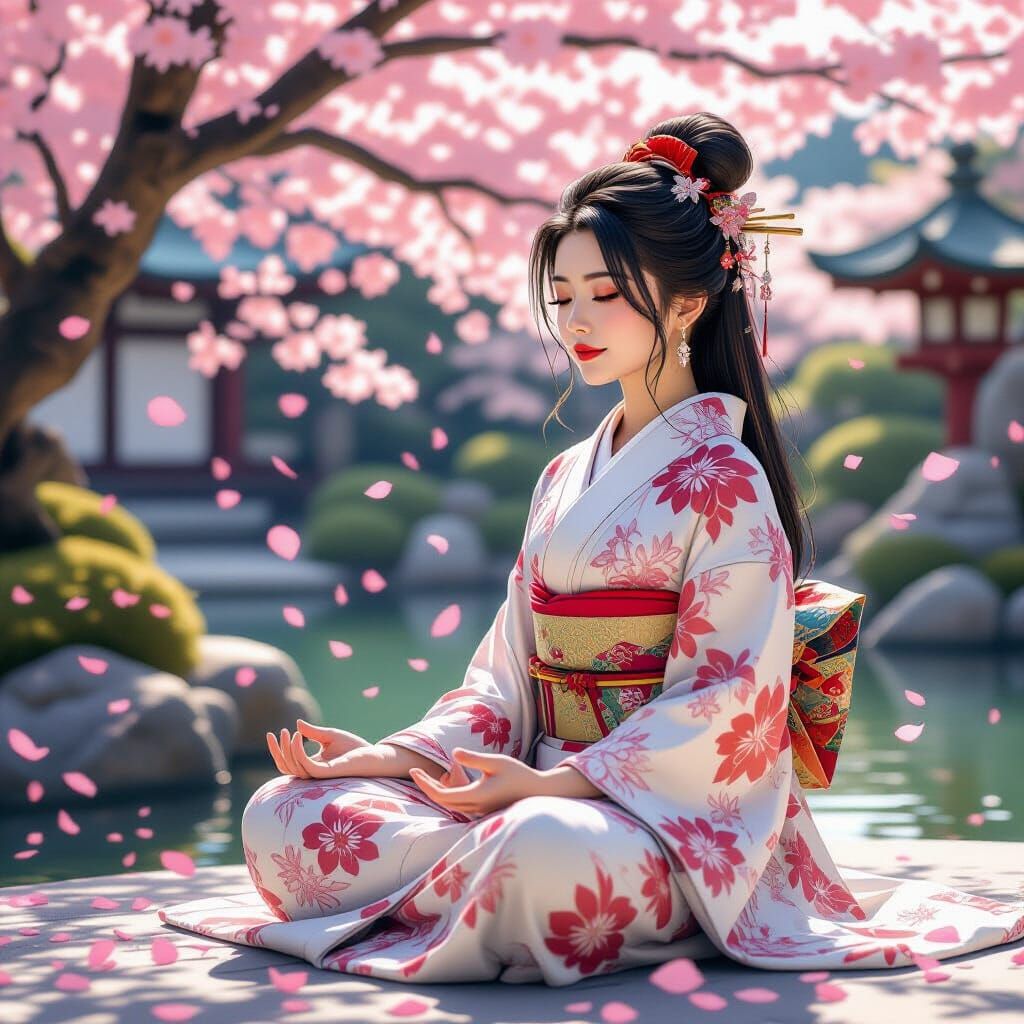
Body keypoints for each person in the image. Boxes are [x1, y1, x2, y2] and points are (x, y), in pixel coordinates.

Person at [158, 112, 1024, 986]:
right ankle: (482, 889)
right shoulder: (564, 475)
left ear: (688, 300)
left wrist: (545, 791)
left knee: (537, 850)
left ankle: (508, 888)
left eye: (605, 293)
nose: (576, 319)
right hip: (530, 795)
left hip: (661, 822)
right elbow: (505, 678)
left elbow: (727, 705)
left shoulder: (728, 480)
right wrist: (398, 757)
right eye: (562, 294)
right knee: (285, 812)